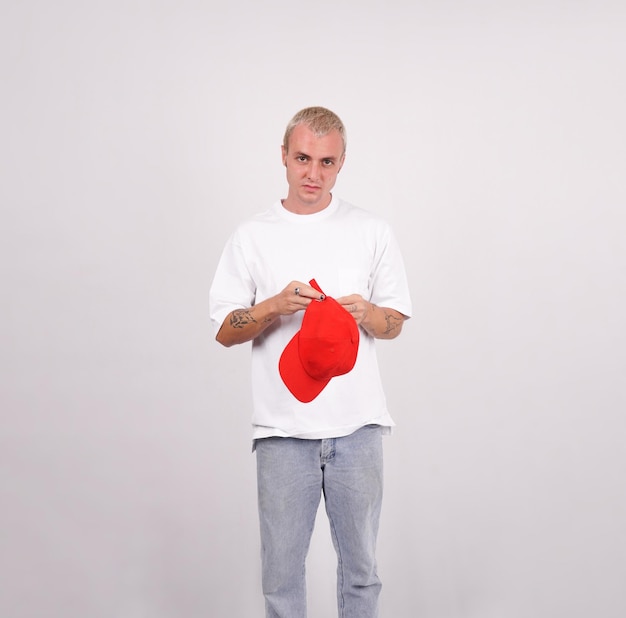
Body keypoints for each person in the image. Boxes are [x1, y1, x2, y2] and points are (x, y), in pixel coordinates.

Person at [209, 106, 412, 618]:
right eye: (302, 159)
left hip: (359, 428)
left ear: (342, 163)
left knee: (362, 574)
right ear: (283, 156)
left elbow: (396, 323)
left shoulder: (371, 230)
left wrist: (369, 313)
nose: (313, 174)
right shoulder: (252, 235)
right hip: (282, 431)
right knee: (280, 577)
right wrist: (273, 306)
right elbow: (223, 332)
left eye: (327, 162)